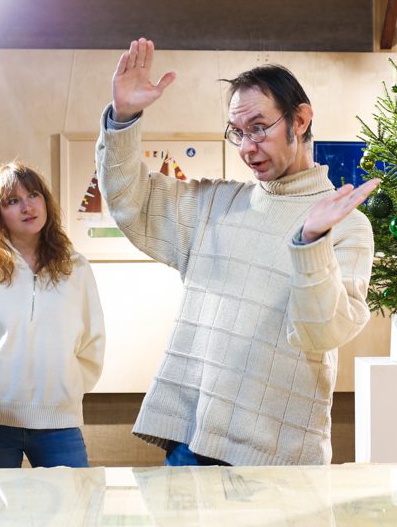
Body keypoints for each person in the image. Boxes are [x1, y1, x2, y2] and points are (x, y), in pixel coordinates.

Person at [97, 38, 380, 467]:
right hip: (190, 442)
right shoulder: (216, 204)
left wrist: (310, 242)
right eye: (238, 132)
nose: (247, 147)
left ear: (300, 119)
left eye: (259, 128)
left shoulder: (347, 226)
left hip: (275, 458)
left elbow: (322, 333)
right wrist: (123, 118)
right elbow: (129, 202)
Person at [0, 162, 106, 469]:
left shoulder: (76, 268)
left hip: (59, 421)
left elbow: (92, 341)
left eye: (33, 195)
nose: (27, 207)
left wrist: (66, 391)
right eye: (13, 200)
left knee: (74, 499)